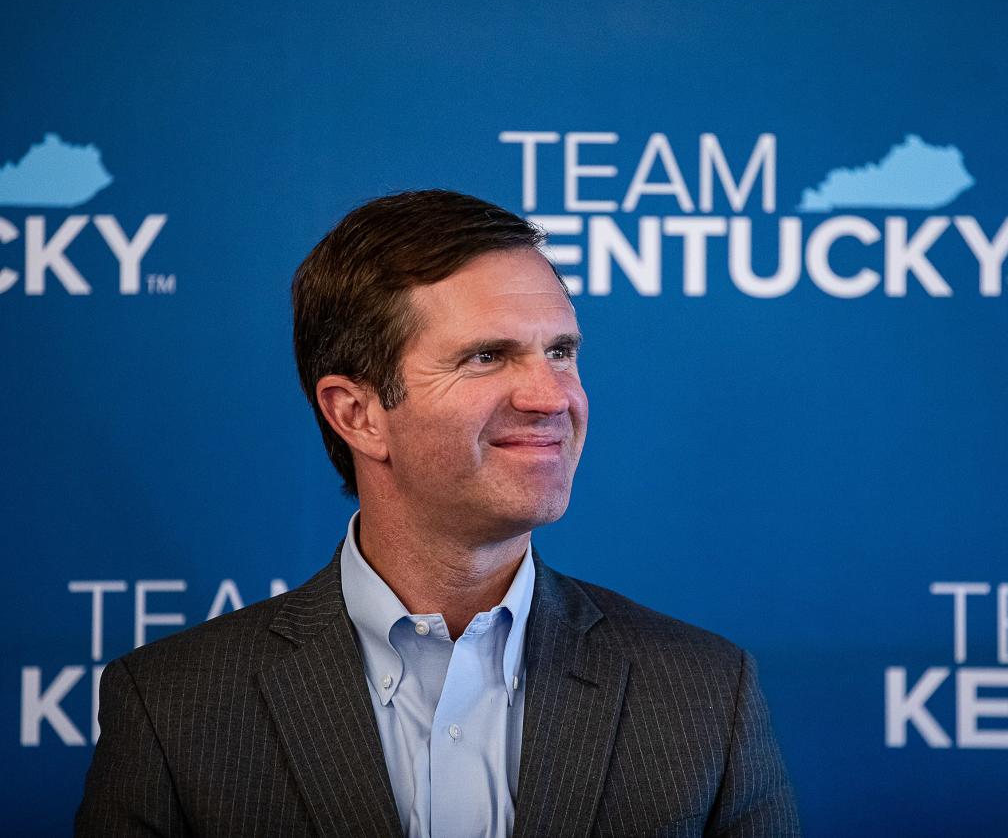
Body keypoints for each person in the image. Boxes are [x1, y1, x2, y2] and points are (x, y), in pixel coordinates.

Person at [77, 189, 800, 837]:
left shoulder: (706, 695)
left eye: (561, 350)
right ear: (356, 413)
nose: (552, 397)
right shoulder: (172, 707)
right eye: (488, 356)